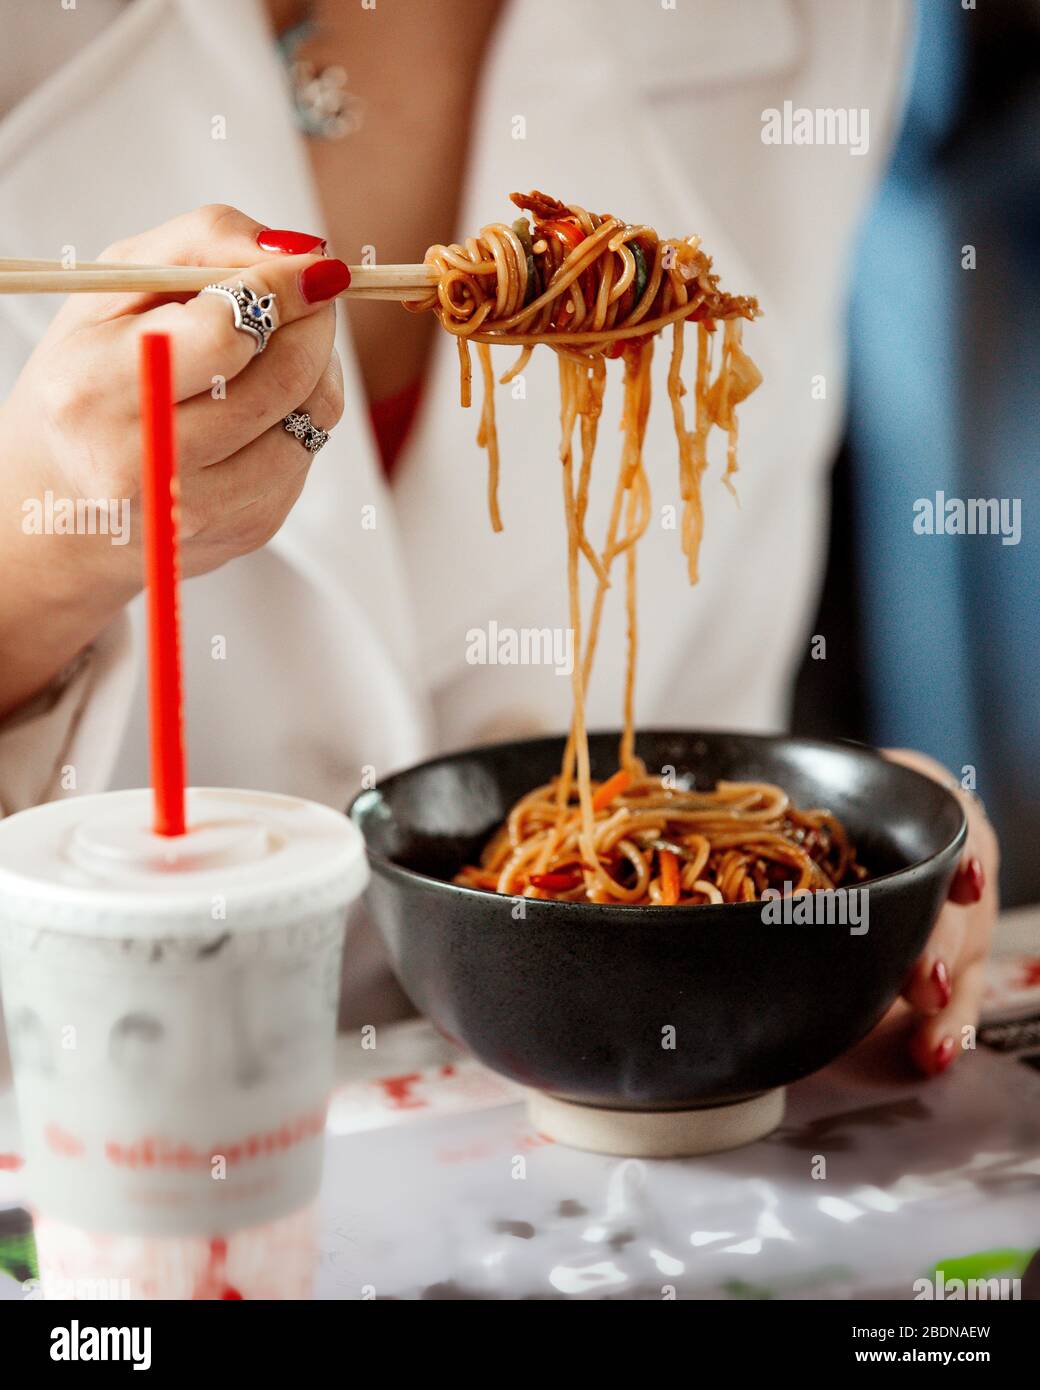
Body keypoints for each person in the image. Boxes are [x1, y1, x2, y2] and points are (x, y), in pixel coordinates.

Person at [0, 0, 996, 1068]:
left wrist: (823, 864)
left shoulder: (808, 21)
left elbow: (691, 728)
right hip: (97, 1115)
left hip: (611, 1140)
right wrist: (37, 556)